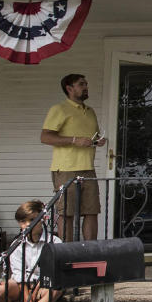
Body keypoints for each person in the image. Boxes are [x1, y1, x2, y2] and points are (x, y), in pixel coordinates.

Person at [40, 74, 106, 240]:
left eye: (86, 84)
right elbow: (45, 137)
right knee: (67, 213)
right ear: (69, 89)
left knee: (92, 212)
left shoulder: (90, 111)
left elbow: (91, 137)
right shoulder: (59, 109)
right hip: (66, 170)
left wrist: (97, 141)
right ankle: (68, 253)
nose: (86, 87)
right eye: (81, 84)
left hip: (88, 169)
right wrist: (74, 140)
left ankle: (90, 251)